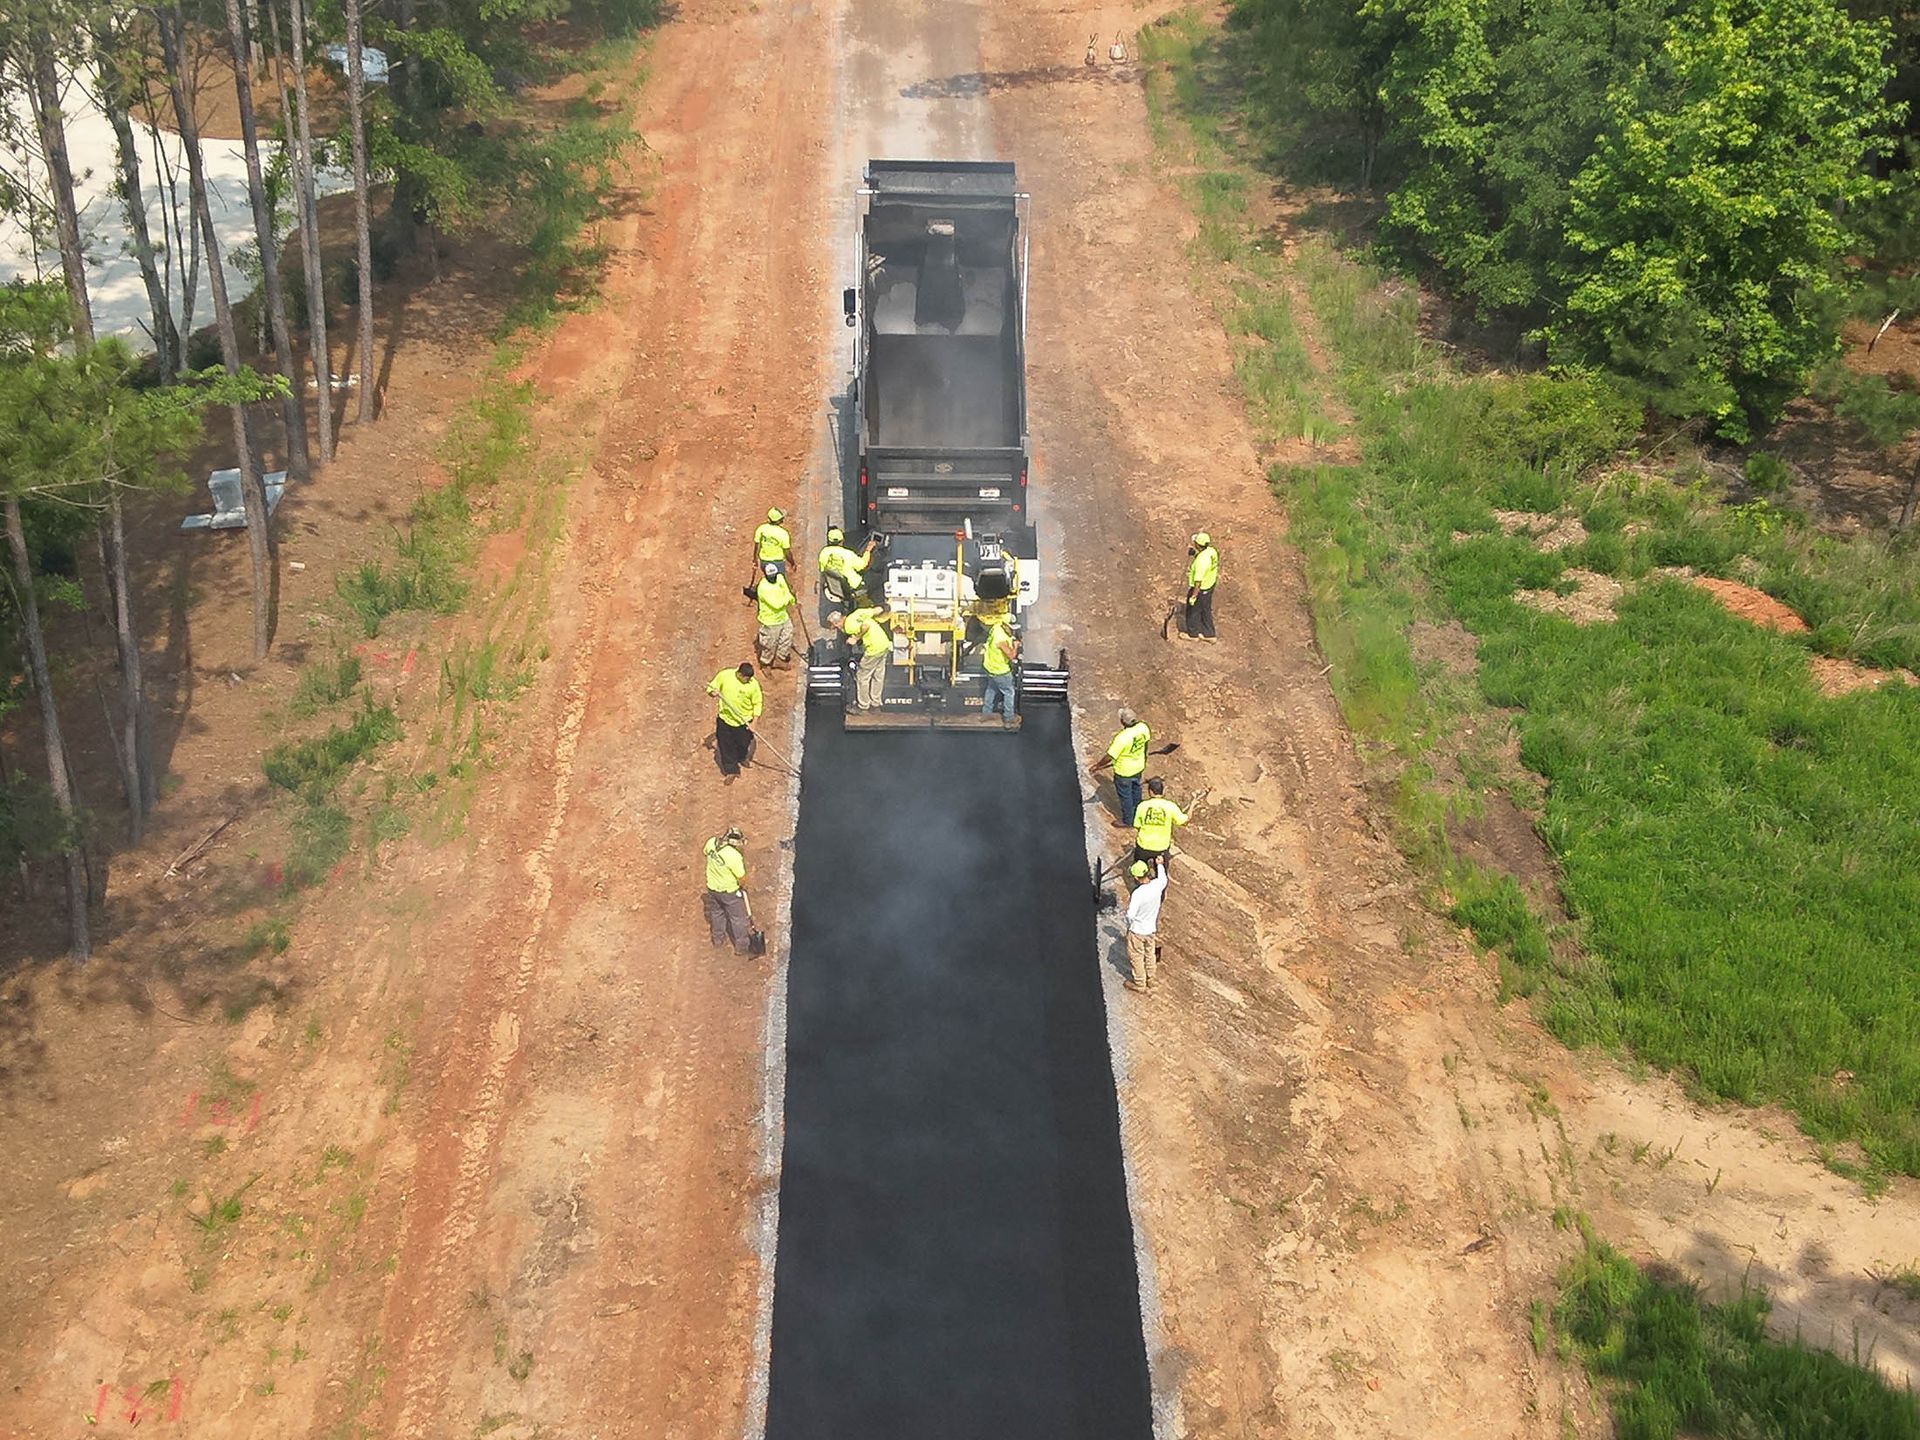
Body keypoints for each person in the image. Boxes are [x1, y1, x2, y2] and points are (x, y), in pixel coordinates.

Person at [1090, 707, 1151, 826]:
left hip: (1124, 772)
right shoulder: (1143, 727)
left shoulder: (1122, 738)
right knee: (1136, 792)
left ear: (1123, 722)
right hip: (1138, 767)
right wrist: (1143, 758)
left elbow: (1109, 756)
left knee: (1126, 797)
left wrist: (1097, 765)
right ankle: (1139, 816)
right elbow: (1145, 745)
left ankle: (1128, 821)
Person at [831, 606, 893, 711]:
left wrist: (855, 638)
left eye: (835, 626)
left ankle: (863, 705)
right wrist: (884, 607)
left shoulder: (849, 626)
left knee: (862, 676)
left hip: (874, 649)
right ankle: (876, 703)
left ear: (838, 622)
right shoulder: (857, 613)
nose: (837, 628)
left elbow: (866, 626)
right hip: (884, 643)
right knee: (878, 675)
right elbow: (876, 610)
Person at [703, 827, 754, 954]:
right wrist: (743, 886)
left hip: (712, 889)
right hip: (730, 892)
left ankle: (718, 939)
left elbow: (705, 852)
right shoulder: (734, 856)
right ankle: (742, 947)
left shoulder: (711, 842)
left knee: (716, 913)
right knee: (738, 919)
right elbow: (741, 877)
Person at [707, 662, 763, 778]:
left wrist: (754, 722)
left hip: (744, 721)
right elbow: (710, 689)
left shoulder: (753, 685)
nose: (748, 681)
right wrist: (714, 692)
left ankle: (742, 757)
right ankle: (731, 770)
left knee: (743, 742)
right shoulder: (725, 675)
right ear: (740, 674)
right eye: (746, 679)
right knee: (726, 744)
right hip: (725, 719)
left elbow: (757, 703)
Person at [1122, 856, 1168, 994]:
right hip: (1150, 930)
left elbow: (1130, 915)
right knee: (1149, 955)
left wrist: (1129, 926)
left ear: (1136, 878)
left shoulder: (1138, 894)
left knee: (1136, 957)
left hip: (1137, 931)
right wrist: (1160, 864)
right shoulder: (1157, 885)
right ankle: (1151, 979)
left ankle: (1140, 984)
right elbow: (1163, 878)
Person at [1132, 776, 1197, 867]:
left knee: (1139, 870)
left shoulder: (1142, 806)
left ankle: (1139, 880)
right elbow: (1185, 821)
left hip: (1143, 845)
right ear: (1163, 791)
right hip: (1161, 847)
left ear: (1150, 791)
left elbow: (1137, 825)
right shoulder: (1170, 806)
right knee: (1161, 873)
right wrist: (1193, 805)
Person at [818, 525, 878, 612]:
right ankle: (868, 607)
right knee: (876, 579)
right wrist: (868, 550)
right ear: (842, 541)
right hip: (854, 587)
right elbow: (862, 565)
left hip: (836, 588)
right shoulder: (848, 554)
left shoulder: (823, 552)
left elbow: (823, 570)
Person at [752, 562, 796, 668]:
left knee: (787, 637)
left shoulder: (780, 578)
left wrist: (793, 600)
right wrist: (788, 599)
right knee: (769, 644)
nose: (773, 578)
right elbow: (777, 605)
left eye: (774, 576)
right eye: (771, 577)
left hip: (783, 617)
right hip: (770, 621)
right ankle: (765, 664)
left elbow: (786, 590)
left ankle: (780, 658)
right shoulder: (763, 588)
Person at [981, 615, 1019, 724]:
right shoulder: (1001, 640)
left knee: (991, 689)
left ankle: (986, 713)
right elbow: (1011, 655)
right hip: (1000, 670)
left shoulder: (997, 627)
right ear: (1006, 625)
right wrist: (1015, 645)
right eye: (1011, 628)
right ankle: (1009, 718)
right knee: (1009, 692)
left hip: (990, 667)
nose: (1012, 630)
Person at [1184, 531, 1220, 640]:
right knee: (1205, 609)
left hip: (1201, 588)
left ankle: (1193, 634)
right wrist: (1195, 554)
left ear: (1198, 545)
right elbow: (1206, 559)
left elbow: (1198, 582)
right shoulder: (1211, 551)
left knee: (1193, 610)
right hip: (1210, 585)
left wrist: (1193, 596)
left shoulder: (1200, 562)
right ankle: (1209, 634)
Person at [752, 507, 792, 579]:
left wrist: (755, 559)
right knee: (779, 581)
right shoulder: (783, 533)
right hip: (778, 562)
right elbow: (787, 552)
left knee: (768, 577)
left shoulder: (761, 529)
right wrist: (792, 562)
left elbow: (757, 546)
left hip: (764, 561)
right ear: (779, 521)